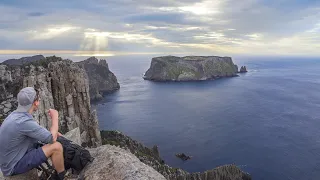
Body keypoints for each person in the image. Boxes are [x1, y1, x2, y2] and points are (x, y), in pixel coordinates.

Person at [0, 87, 67, 180]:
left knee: (52, 138)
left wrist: (51, 133)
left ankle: (55, 171)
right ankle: (62, 177)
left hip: (10, 161)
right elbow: (52, 138)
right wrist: (55, 117)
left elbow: (33, 133)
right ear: (35, 103)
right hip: (14, 166)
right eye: (38, 99)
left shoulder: (14, 115)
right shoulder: (23, 121)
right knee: (56, 146)